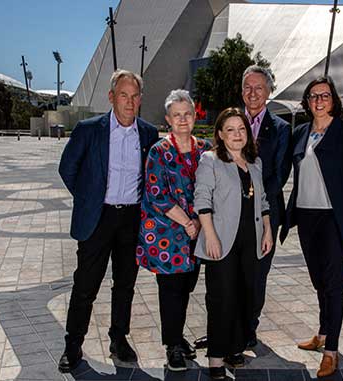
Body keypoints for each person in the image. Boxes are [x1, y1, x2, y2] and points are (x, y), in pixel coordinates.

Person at [57, 69, 159, 372]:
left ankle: (118, 338)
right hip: (97, 218)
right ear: (111, 97)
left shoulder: (148, 133)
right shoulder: (90, 130)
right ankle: (73, 345)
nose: (129, 102)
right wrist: (89, 198)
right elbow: (67, 168)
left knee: (125, 284)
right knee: (85, 285)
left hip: (131, 219)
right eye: (123, 95)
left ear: (141, 100)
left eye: (135, 96)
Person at [280, 77, 343, 378]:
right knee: (318, 279)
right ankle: (321, 332)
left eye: (325, 95)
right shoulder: (301, 132)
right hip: (306, 215)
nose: (319, 100)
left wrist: (341, 203)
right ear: (307, 101)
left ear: (334, 99)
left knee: (334, 283)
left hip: (332, 217)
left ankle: (331, 351)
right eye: (313, 95)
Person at [194, 107, 274, 380]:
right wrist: (211, 236)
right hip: (222, 241)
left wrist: (267, 230)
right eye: (230, 129)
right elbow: (202, 200)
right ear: (220, 134)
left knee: (244, 296)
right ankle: (216, 358)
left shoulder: (255, 163)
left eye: (241, 129)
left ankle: (234, 347)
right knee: (221, 299)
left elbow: (262, 202)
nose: (237, 134)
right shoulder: (210, 160)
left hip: (250, 241)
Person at [136, 89, 212, 372]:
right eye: (176, 115)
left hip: (196, 235)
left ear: (195, 116)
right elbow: (157, 194)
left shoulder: (205, 149)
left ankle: (177, 335)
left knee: (187, 287)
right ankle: (172, 347)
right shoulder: (159, 151)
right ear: (168, 119)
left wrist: (200, 225)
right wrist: (189, 223)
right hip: (167, 235)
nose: (182, 119)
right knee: (171, 291)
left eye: (187, 114)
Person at [241, 65, 292, 347]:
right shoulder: (231, 121)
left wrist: (255, 202)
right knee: (233, 272)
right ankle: (232, 324)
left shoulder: (282, 129)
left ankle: (249, 327)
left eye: (259, 88)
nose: (253, 93)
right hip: (231, 213)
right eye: (248, 87)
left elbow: (280, 174)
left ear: (269, 92)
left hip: (265, 214)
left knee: (257, 274)